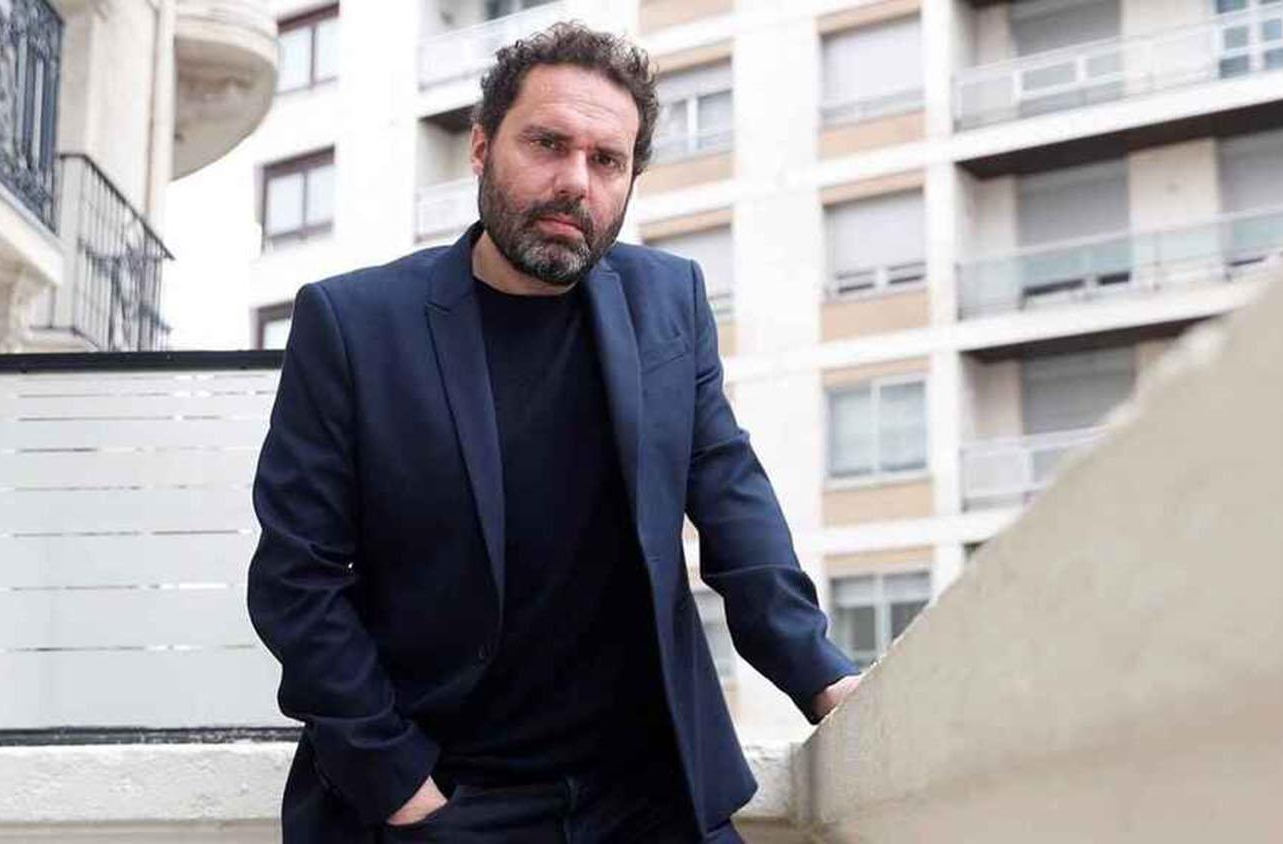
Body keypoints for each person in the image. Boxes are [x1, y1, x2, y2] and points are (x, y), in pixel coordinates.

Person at [248, 22, 860, 844]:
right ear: (480, 148)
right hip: (450, 797)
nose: (575, 182)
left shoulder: (669, 302)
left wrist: (822, 679)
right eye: (547, 144)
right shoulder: (353, 324)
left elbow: (732, 499)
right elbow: (297, 577)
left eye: (606, 161)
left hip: (646, 794)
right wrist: (402, 789)